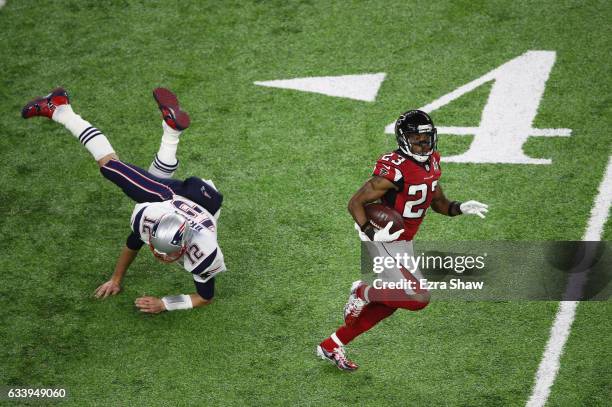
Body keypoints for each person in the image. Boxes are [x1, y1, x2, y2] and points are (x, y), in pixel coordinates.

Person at [21, 87, 225, 313]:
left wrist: (164, 304)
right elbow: (134, 241)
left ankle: (171, 132)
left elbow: (205, 298)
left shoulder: (205, 251)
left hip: (201, 203)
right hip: (177, 197)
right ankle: (60, 108)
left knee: (149, 178)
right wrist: (116, 279)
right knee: (110, 166)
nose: (162, 256)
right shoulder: (154, 217)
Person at [317, 110, 488, 371]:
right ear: (403, 139)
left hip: (402, 242)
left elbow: (438, 203)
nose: (423, 143)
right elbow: (355, 203)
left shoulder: (432, 163)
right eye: (416, 138)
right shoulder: (394, 169)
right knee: (418, 297)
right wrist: (372, 234)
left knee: (392, 302)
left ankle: (331, 344)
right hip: (384, 237)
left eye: (426, 138)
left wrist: (460, 207)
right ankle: (362, 291)